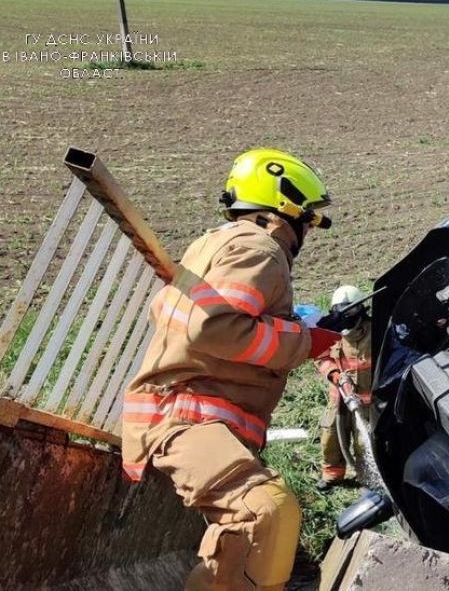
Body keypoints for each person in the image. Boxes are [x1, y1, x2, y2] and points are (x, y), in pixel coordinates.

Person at [120, 148, 341, 590]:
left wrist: (293, 328)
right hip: (187, 419)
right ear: (286, 209)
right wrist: (305, 340)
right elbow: (214, 327)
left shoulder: (214, 244)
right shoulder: (260, 248)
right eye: (308, 219)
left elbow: (208, 321)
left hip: (180, 414)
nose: (307, 231)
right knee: (267, 512)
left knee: (250, 532)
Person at [314, 285, 374, 491]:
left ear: (361, 310)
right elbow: (321, 356)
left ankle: (367, 478)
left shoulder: (375, 331)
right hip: (339, 398)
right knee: (330, 437)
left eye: (351, 310)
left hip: (367, 403)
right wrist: (335, 374)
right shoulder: (330, 332)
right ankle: (332, 475)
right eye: (340, 310)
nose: (346, 316)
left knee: (364, 442)